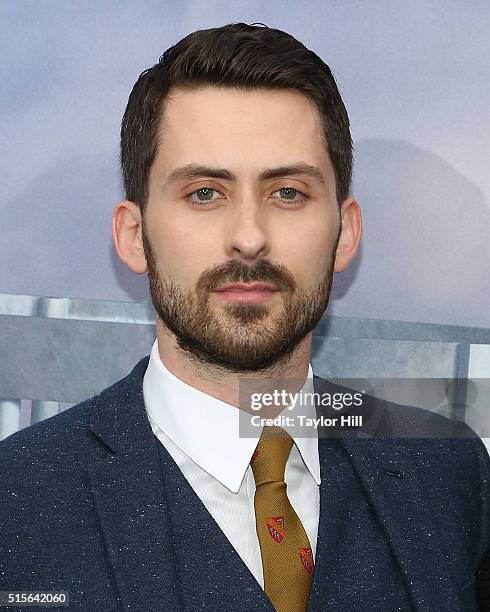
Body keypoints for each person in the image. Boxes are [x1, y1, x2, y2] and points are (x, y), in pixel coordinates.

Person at [1, 22, 489, 612]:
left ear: (344, 233)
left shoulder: (447, 467)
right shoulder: (18, 497)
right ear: (133, 235)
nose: (249, 238)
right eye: (204, 193)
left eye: (288, 192)